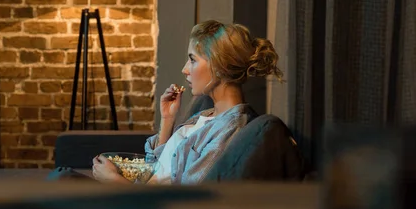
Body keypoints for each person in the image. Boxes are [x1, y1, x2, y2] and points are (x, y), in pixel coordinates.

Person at [92, 20, 284, 184]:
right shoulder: (206, 114)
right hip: (136, 194)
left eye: (192, 60)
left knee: (65, 178)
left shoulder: (228, 130)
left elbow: (185, 203)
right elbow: (158, 170)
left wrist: (116, 182)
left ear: (219, 66)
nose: (185, 69)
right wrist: (167, 120)